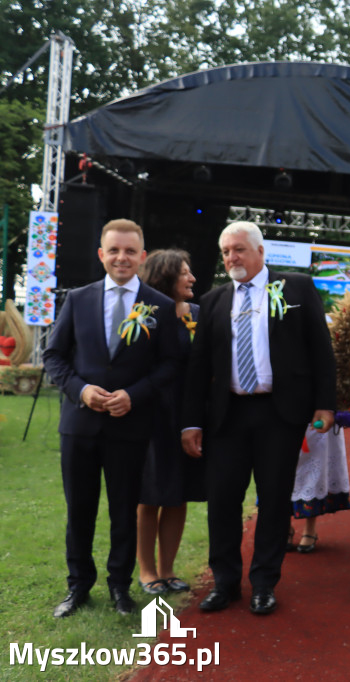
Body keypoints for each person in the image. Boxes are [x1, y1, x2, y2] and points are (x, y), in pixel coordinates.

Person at [182, 221, 336, 616]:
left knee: (273, 501)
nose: (232, 257)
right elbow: (198, 367)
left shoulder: (296, 287)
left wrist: (325, 403)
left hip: (279, 413)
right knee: (223, 501)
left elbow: (320, 348)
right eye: (226, 252)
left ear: (260, 252)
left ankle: (264, 584)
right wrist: (191, 421)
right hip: (227, 415)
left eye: (239, 249)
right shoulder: (215, 300)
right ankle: (225, 582)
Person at [43, 219, 177, 618]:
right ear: (101, 254)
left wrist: (133, 396)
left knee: (124, 511)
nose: (122, 257)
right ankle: (78, 585)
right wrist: (80, 390)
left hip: (130, 427)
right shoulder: (79, 299)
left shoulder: (160, 306)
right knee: (79, 510)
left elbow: (171, 364)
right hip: (80, 426)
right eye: (114, 250)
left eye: (130, 251)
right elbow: (54, 356)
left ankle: (120, 586)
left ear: (142, 257)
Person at [136, 249, 206, 595]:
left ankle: (167, 570)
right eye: (184, 272)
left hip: (188, 418)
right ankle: (147, 572)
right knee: (150, 496)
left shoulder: (197, 313)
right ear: (165, 276)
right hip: (153, 416)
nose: (192, 278)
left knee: (179, 496)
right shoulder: (145, 314)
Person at [288, 425, 350, 553]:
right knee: (281, 468)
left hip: (317, 414)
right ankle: (284, 526)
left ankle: (310, 528)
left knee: (315, 462)